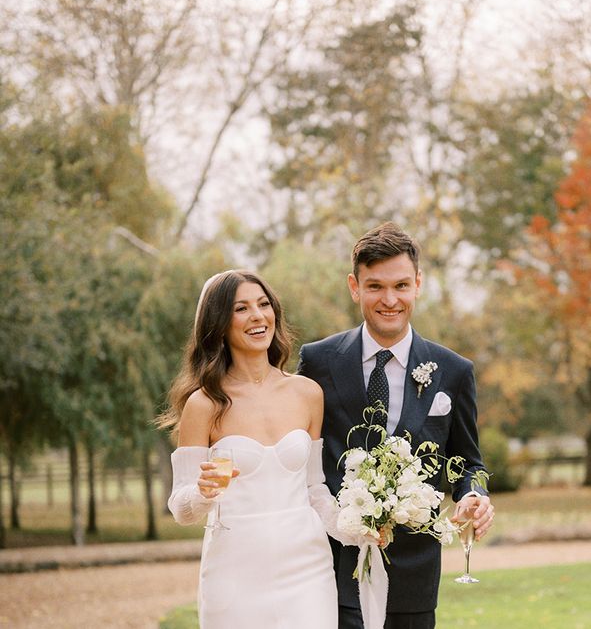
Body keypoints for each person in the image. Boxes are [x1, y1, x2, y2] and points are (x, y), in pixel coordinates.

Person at [298, 222, 494, 629]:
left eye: (401, 285)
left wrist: (473, 495)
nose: (390, 300)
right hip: (331, 566)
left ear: (418, 284)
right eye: (375, 287)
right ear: (355, 286)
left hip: (414, 569)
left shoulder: (454, 372)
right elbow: (300, 455)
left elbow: (467, 461)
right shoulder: (317, 362)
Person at [158, 270, 356, 629]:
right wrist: (203, 494)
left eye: (264, 305)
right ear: (219, 323)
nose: (258, 316)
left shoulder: (307, 393)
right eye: (242, 308)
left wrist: (356, 529)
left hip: (307, 568)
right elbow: (181, 508)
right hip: (234, 571)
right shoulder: (203, 405)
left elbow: (315, 491)